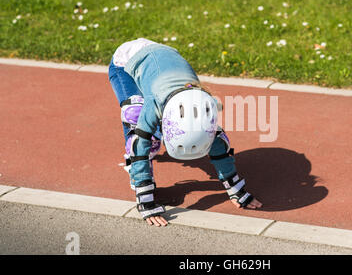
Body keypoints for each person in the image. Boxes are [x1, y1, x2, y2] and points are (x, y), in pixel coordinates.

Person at [108, 38, 262, 226]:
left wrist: (237, 189)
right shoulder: (154, 102)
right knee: (137, 120)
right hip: (124, 62)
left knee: (162, 130)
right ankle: (137, 169)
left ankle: (155, 136)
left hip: (163, 58)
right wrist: (145, 197)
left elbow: (219, 145)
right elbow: (140, 144)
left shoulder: (205, 107)